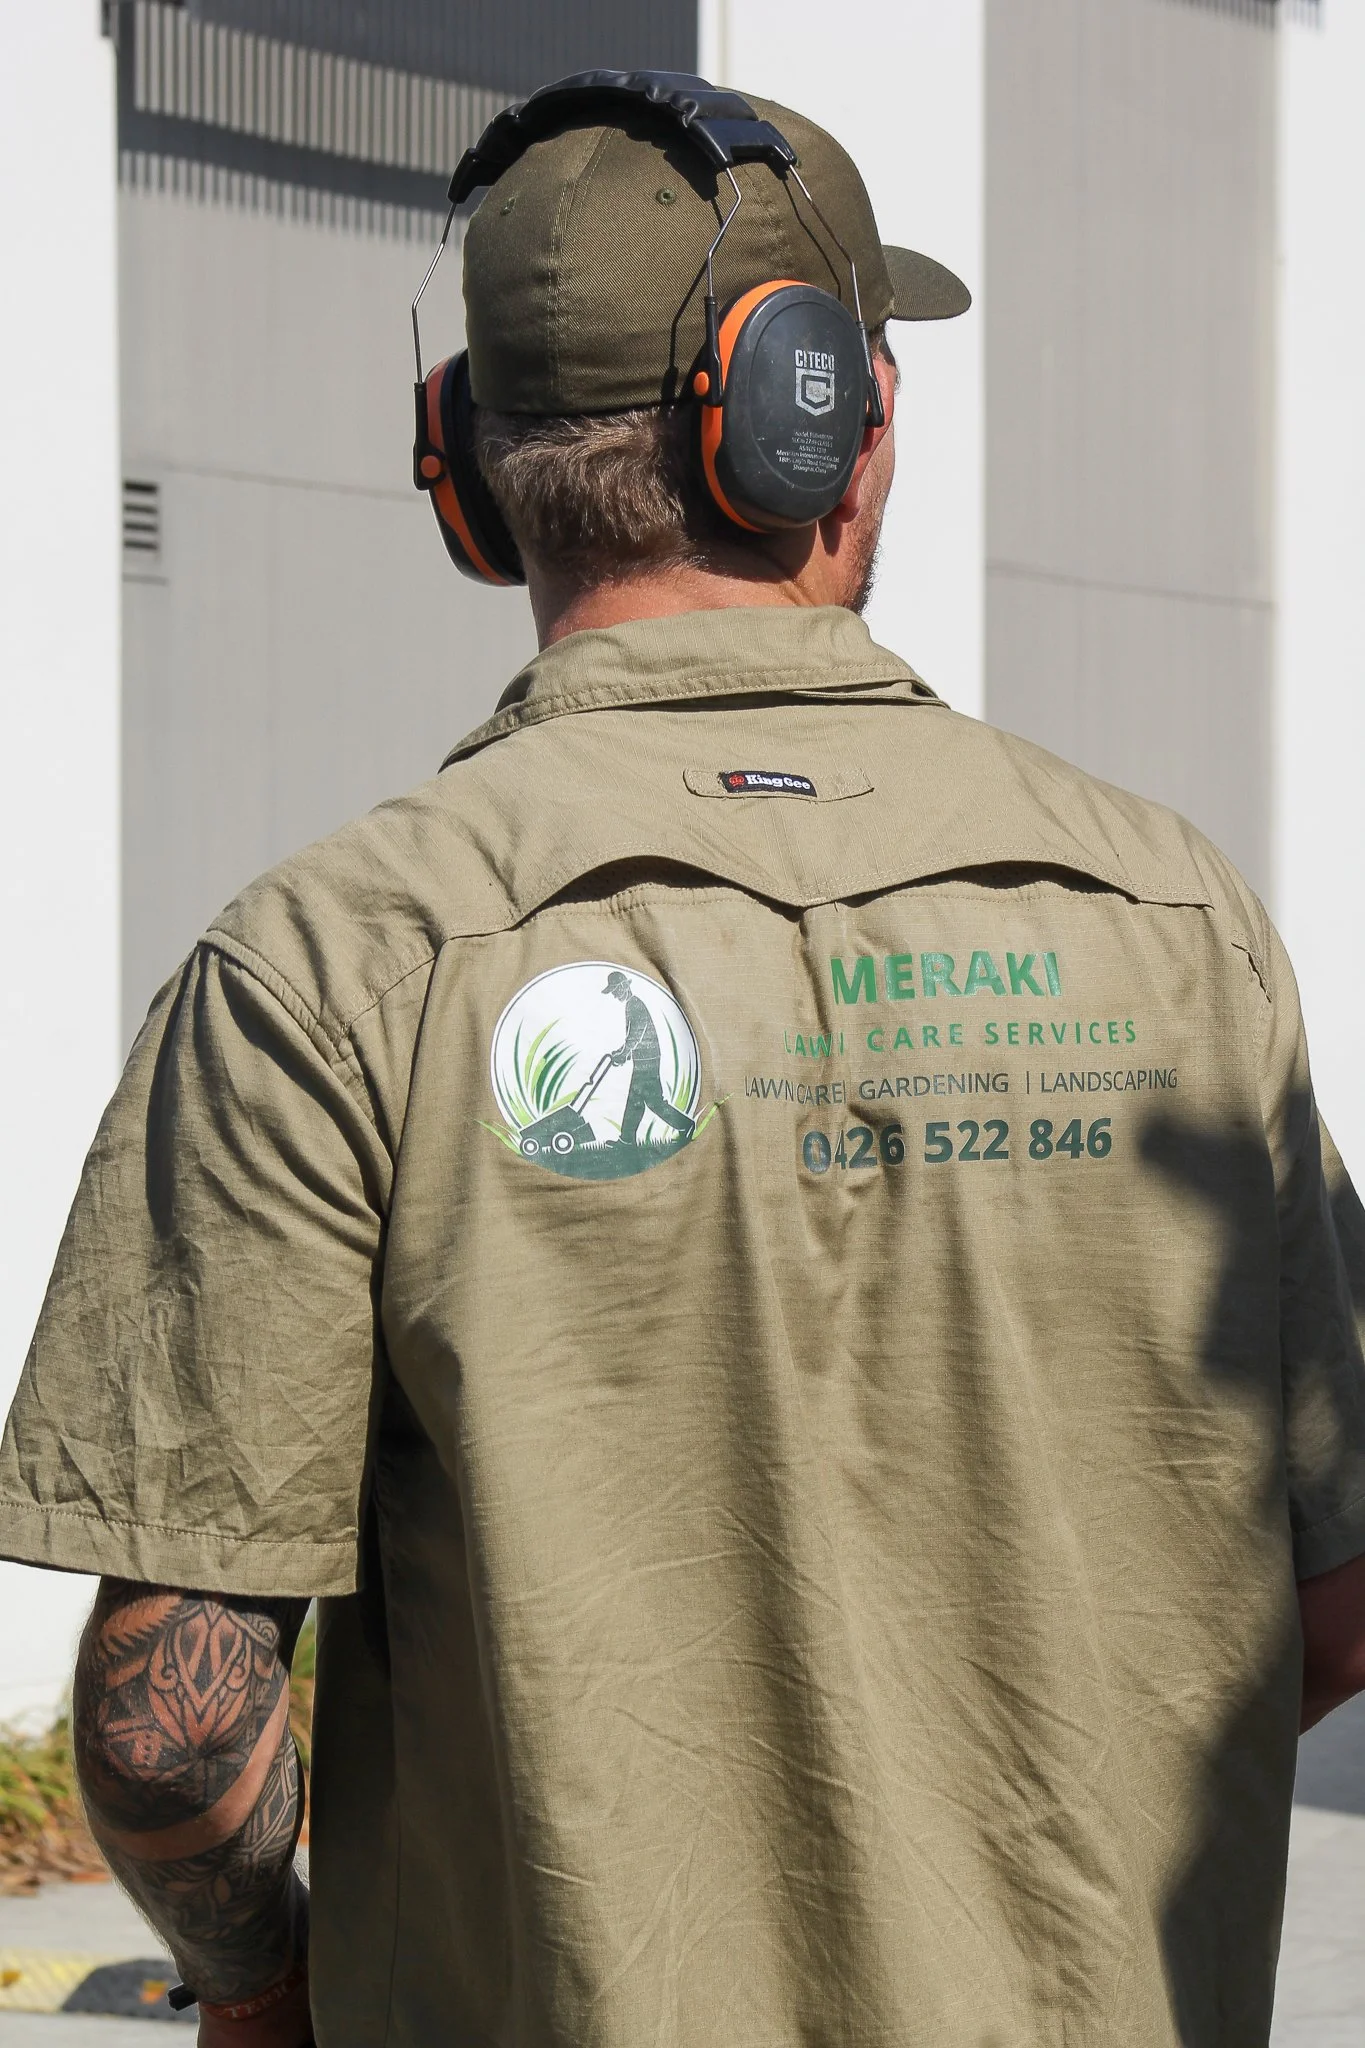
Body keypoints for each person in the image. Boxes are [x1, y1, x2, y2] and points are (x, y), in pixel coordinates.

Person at [2, 67, 1364, 2048]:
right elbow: (1326, 1593)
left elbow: (164, 1719)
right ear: (830, 421)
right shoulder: (1179, 927)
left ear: (462, 469)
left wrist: (265, 1979)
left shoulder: (326, 964)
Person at [603, 969, 695, 1148]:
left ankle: (686, 1126)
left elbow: (636, 1034)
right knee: (636, 1099)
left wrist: (624, 1053)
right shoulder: (632, 1004)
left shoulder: (634, 1005)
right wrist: (621, 1052)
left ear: (624, 986)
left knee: (653, 1101)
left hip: (648, 1060)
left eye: (615, 990)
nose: (614, 994)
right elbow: (632, 1037)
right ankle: (627, 1140)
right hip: (645, 1059)